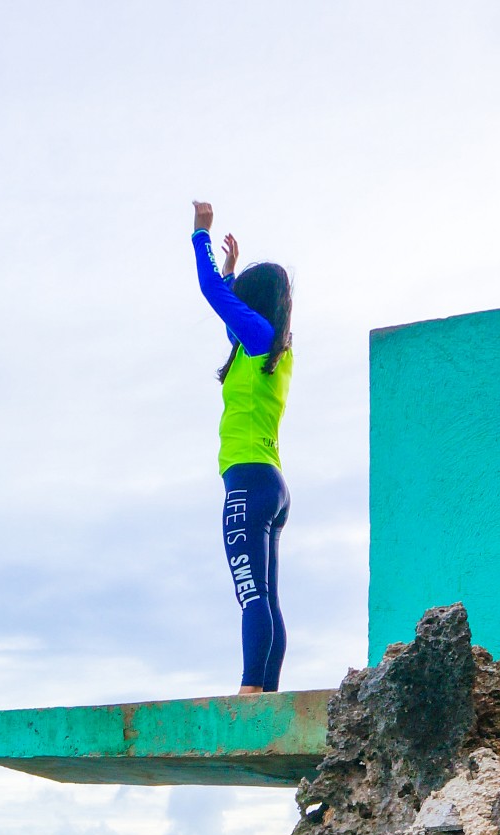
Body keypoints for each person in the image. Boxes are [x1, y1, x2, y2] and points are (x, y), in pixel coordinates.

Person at [191, 201, 293, 693]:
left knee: (252, 595)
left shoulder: (257, 337)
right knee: (266, 598)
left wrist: (200, 237)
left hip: (249, 483)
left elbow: (212, 294)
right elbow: (229, 315)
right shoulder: (271, 345)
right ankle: (265, 692)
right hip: (271, 484)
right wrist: (233, 274)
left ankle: (251, 690)